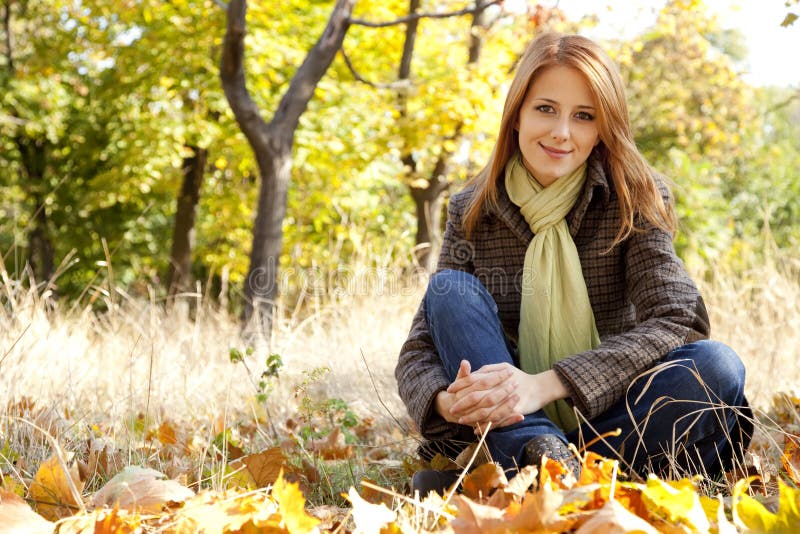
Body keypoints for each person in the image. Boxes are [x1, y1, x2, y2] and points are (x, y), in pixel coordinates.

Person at [395, 32, 752, 496]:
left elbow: (680, 319)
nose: (562, 132)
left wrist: (546, 384)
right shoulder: (472, 208)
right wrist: (449, 401)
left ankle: (529, 479)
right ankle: (544, 454)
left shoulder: (634, 198)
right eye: (546, 109)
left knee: (718, 366)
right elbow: (419, 351)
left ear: (603, 128)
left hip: (615, 412)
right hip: (511, 420)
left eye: (584, 116)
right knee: (449, 290)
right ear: (517, 114)